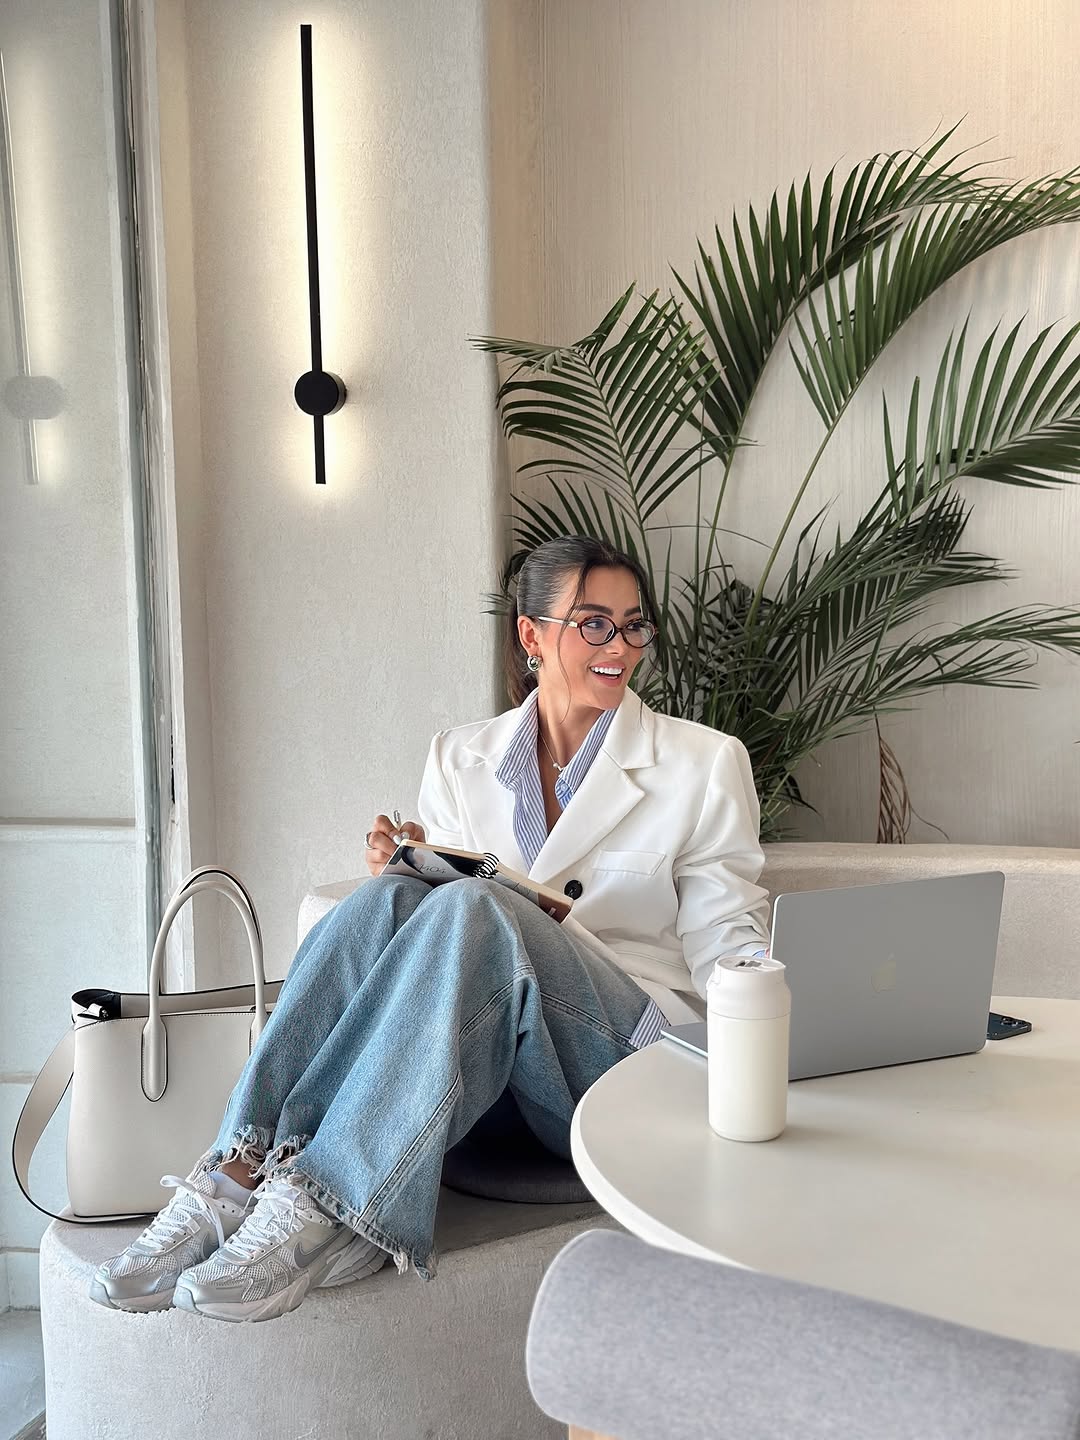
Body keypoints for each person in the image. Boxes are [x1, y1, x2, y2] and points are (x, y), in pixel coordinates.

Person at [90, 535, 770, 1323]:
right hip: (484, 1074)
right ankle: (235, 1170)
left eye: (633, 625)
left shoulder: (703, 763)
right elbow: (436, 938)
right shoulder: (459, 757)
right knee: (389, 901)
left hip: (619, 1061)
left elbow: (731, 941)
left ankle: (334, 1202)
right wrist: (409, 871)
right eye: (594, 624)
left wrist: (765, 1051)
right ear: (531, 634)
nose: (620, 647)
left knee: (475, 908)